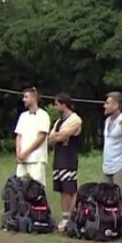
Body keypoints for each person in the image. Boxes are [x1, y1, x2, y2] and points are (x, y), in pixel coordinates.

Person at [48, 93, 83, 232]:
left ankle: (72, 217)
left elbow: (63, 136)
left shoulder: (75, 119)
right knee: (61, 189)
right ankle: (65, 217)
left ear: (64, 104)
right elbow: (51, 138)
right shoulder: (58, 121)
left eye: (57, 104)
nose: (55, 107)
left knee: (70, 189)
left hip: (69, 158)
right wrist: (57, 136)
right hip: (58, 158)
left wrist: (58, 136)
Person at [101, 91, 122, 220]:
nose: (104, 106)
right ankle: (110, 222)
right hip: (107, 165)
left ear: (115, 105)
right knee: (105, 196)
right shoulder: (107, 121)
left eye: (107, 103)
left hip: (121, 165)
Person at [13, 87, 50, 183]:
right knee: (19, 186)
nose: (23, 99)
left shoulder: (43, 115)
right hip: (22, 160)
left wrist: (26, 153)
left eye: (26, 97)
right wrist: (18, 153)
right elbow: (18, 136)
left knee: (36, 187)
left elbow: (41, 137)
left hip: (36, 159)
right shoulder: (23, 116)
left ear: (34, 98)